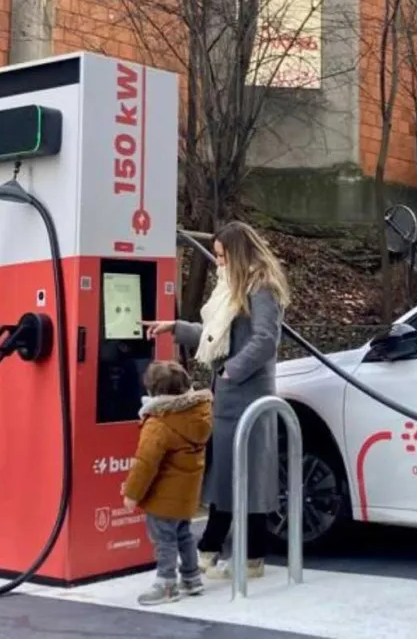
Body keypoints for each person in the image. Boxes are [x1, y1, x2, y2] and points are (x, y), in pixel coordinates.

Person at [142, 220, 289, 580]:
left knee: (244, 475)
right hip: (232, 393)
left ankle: (224, 552)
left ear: (237, 254)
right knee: (229, 474)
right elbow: (214, 335)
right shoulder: (233, 287)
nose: (218, 262)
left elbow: (266, 340)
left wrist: (230, 372)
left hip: (249, 394)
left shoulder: (261, 287)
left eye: (222, 256)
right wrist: (174, 326)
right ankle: (233, 553)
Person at [121, 360, 213, 604]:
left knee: (164, 540)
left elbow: (145, 464)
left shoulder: (159, 423)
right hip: (186, 495)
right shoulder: (197, 415)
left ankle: (166, 584)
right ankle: (192, 578)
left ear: (153, 391)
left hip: (163, 497)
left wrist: (132, 494)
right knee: (184, 534)